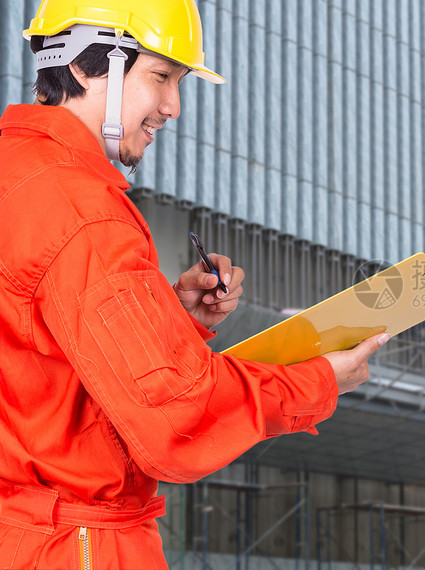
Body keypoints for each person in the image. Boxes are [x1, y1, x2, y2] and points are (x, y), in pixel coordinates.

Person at [0, 1, 388, 568]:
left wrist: (172, 321)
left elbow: (42, 367)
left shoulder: (17, 172)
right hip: (74, 544)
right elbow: (172, 422)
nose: (172, 107)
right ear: (83, 66)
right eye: (160, 77)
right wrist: (317, 381)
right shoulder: (83, 210)